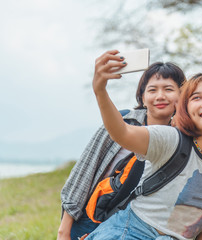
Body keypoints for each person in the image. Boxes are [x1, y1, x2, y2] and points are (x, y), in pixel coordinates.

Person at [85, 72, 202, 240]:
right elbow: (122, 133)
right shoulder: (171, 139)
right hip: (129, 232)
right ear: (186, 110)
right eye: (196, 98)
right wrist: (100, 91)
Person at [57, 50, 186, 240]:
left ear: (181, 96)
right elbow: (84, 172)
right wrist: (64, 230)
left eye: (168, 89)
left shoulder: (183, 140)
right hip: (92, 220)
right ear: (142, 97)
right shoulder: (122, 121)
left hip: (141, 229)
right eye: (152, 90)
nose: (160, 96)